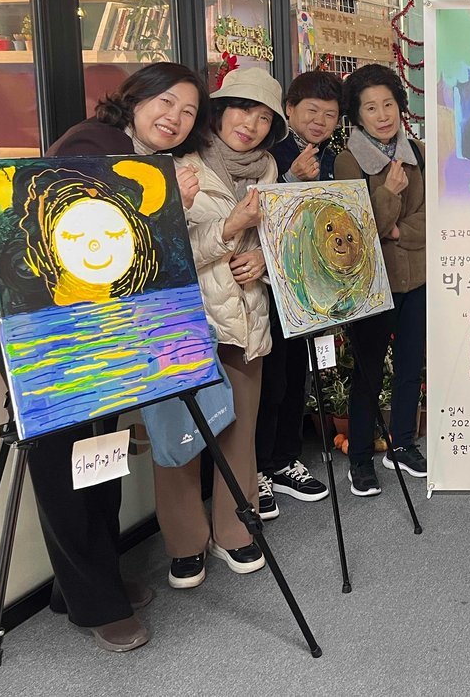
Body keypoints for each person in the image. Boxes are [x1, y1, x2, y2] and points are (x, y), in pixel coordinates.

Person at [23, 62, 208, 652]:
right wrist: (165, 208)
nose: (175, 118)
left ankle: (80, 584)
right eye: (166, 102)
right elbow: (87, 244)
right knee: (65, 473)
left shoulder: (142, 161)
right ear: (136, 97)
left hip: (105, 340)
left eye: (188, 112)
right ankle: (95, 604)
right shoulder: (93, 145)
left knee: (97, 465)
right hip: (55, 344)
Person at [155, 67, 285, 589]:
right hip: (189, 322)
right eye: (242, 109)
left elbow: (278, 235)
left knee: (239, 430)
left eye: (263, 117)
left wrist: (265, 262)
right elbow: (163, 252)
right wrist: (231, 228)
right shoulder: (177, 165)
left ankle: (236, 529)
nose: (250, 124)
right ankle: (185, 541)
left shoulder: (269, 168)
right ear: (220, 111)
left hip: (247, 317)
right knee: (180, 433)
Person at [253, 71, 342, 520]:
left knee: (295, 379)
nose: (320, 121)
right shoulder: (269, 154)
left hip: (308, 288)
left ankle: (286, 459)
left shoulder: (333, 158)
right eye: (311, 111)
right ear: (289, 110)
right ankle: (257, 469)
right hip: (268, 289)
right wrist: (290, 178)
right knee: (269, 383)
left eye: (330, 114)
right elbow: (254, 216)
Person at [336, 63, 427, 497]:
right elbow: (355, 228)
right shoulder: (348, 160)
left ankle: (402, 443)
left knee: (410, 366)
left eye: (388, 104)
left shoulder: (418, 152)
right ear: (357, 115)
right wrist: (388, 193)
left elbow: (432, 218)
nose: (382, 115)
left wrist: (394, 230)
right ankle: (359, 458)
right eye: (370, 107)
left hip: (418, 278)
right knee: (368, 372)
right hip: (372, 284)